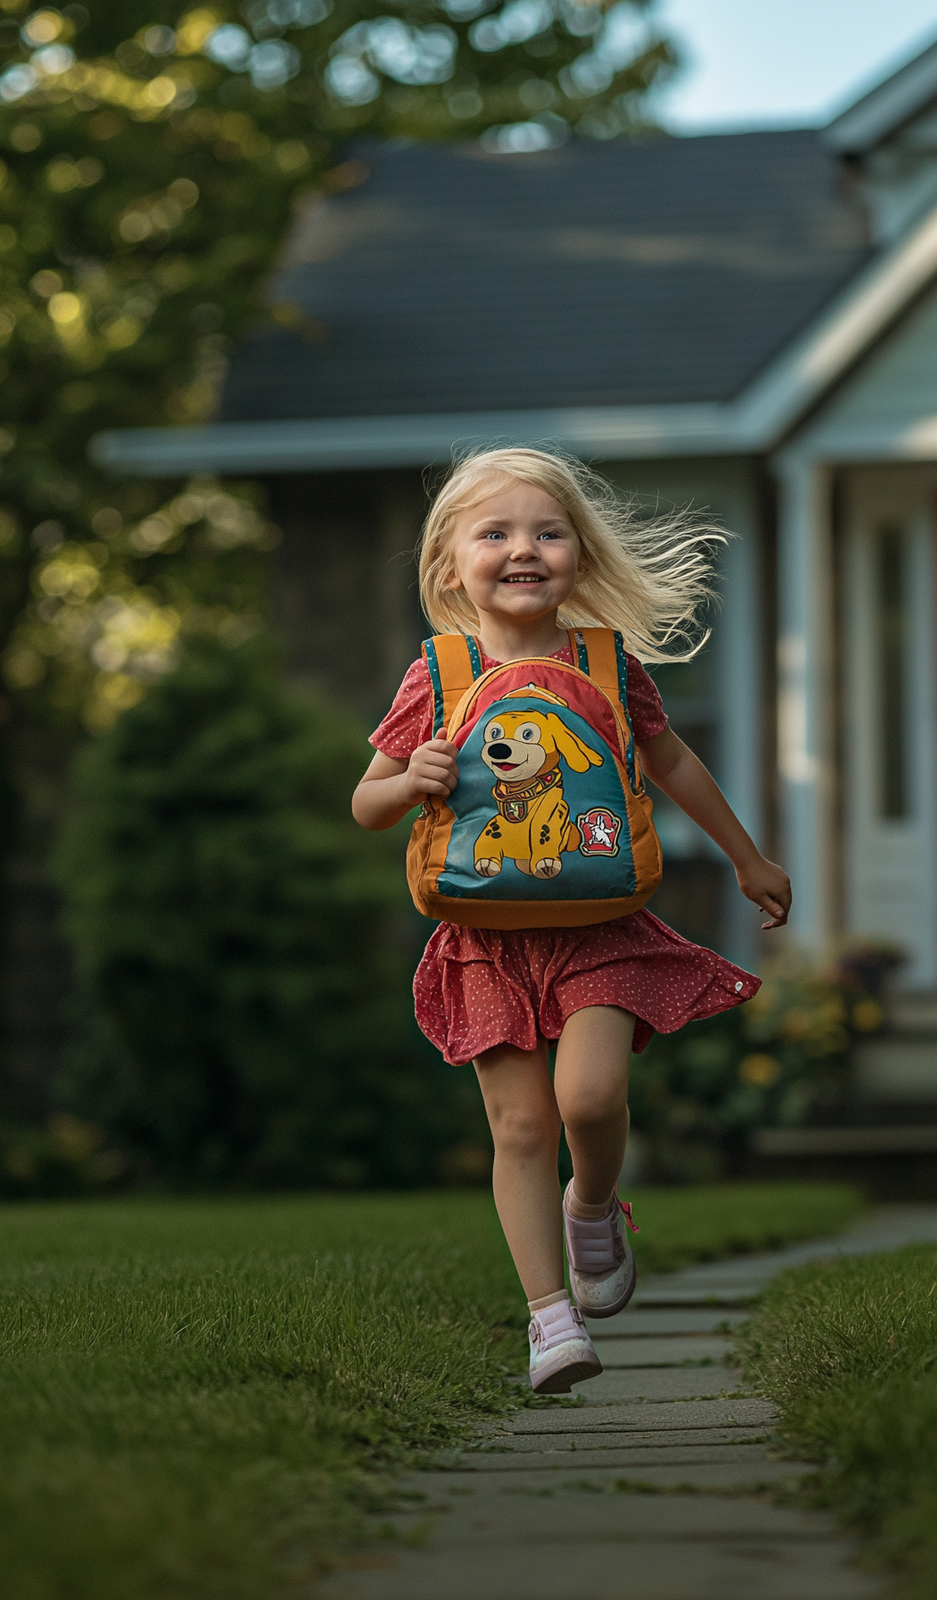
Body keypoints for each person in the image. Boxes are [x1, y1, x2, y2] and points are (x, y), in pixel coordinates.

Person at [353, 447, 792, 1394]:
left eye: (549, 532)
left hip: (598, 927)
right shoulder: (438, 673)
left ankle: (591, 1205)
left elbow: (670, 764)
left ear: (580, 559)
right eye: (496, 533)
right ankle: (551, 1323)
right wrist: (407, 782)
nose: (525, 549)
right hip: (484, 939)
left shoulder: (605, 664)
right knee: (519, 1126)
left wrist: (746, 857)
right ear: (449, 564)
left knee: (588, 1102)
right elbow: (367, 799)